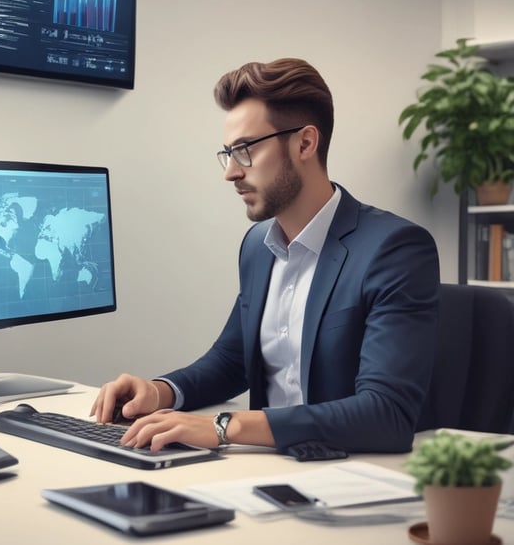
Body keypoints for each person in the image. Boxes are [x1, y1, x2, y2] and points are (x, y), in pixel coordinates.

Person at [91, 57, 440, 455]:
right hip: (265, 469)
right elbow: (232, 361)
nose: (231, 173)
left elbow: (386, 414)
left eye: (244, 151)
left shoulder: (394, 249)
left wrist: (226, 426)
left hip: (347, 474)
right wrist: (158, 392)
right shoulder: (258, 245)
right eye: (228, 153)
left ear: (305, 143)